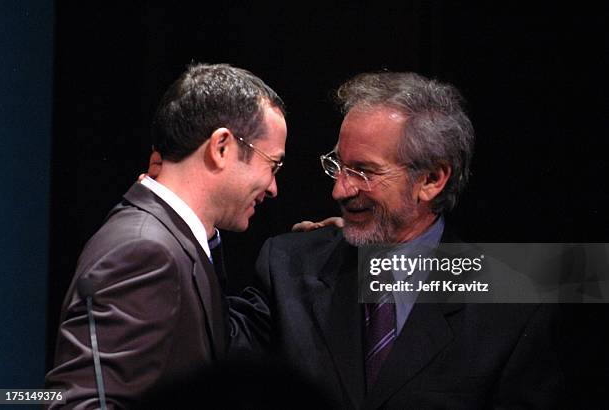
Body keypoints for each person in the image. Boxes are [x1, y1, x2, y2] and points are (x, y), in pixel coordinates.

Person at [229, 71, 563, 409]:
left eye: (363, 172)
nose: (340, 189)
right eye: (339, 167)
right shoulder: (288, 267)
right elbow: (208, 359)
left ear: (431, 180)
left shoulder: (510, 309)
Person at [45, 63, 287, 408]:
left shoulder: (174, 242)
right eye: (272, 164)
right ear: (221, 147)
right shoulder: (144, 250)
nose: (274, 187)